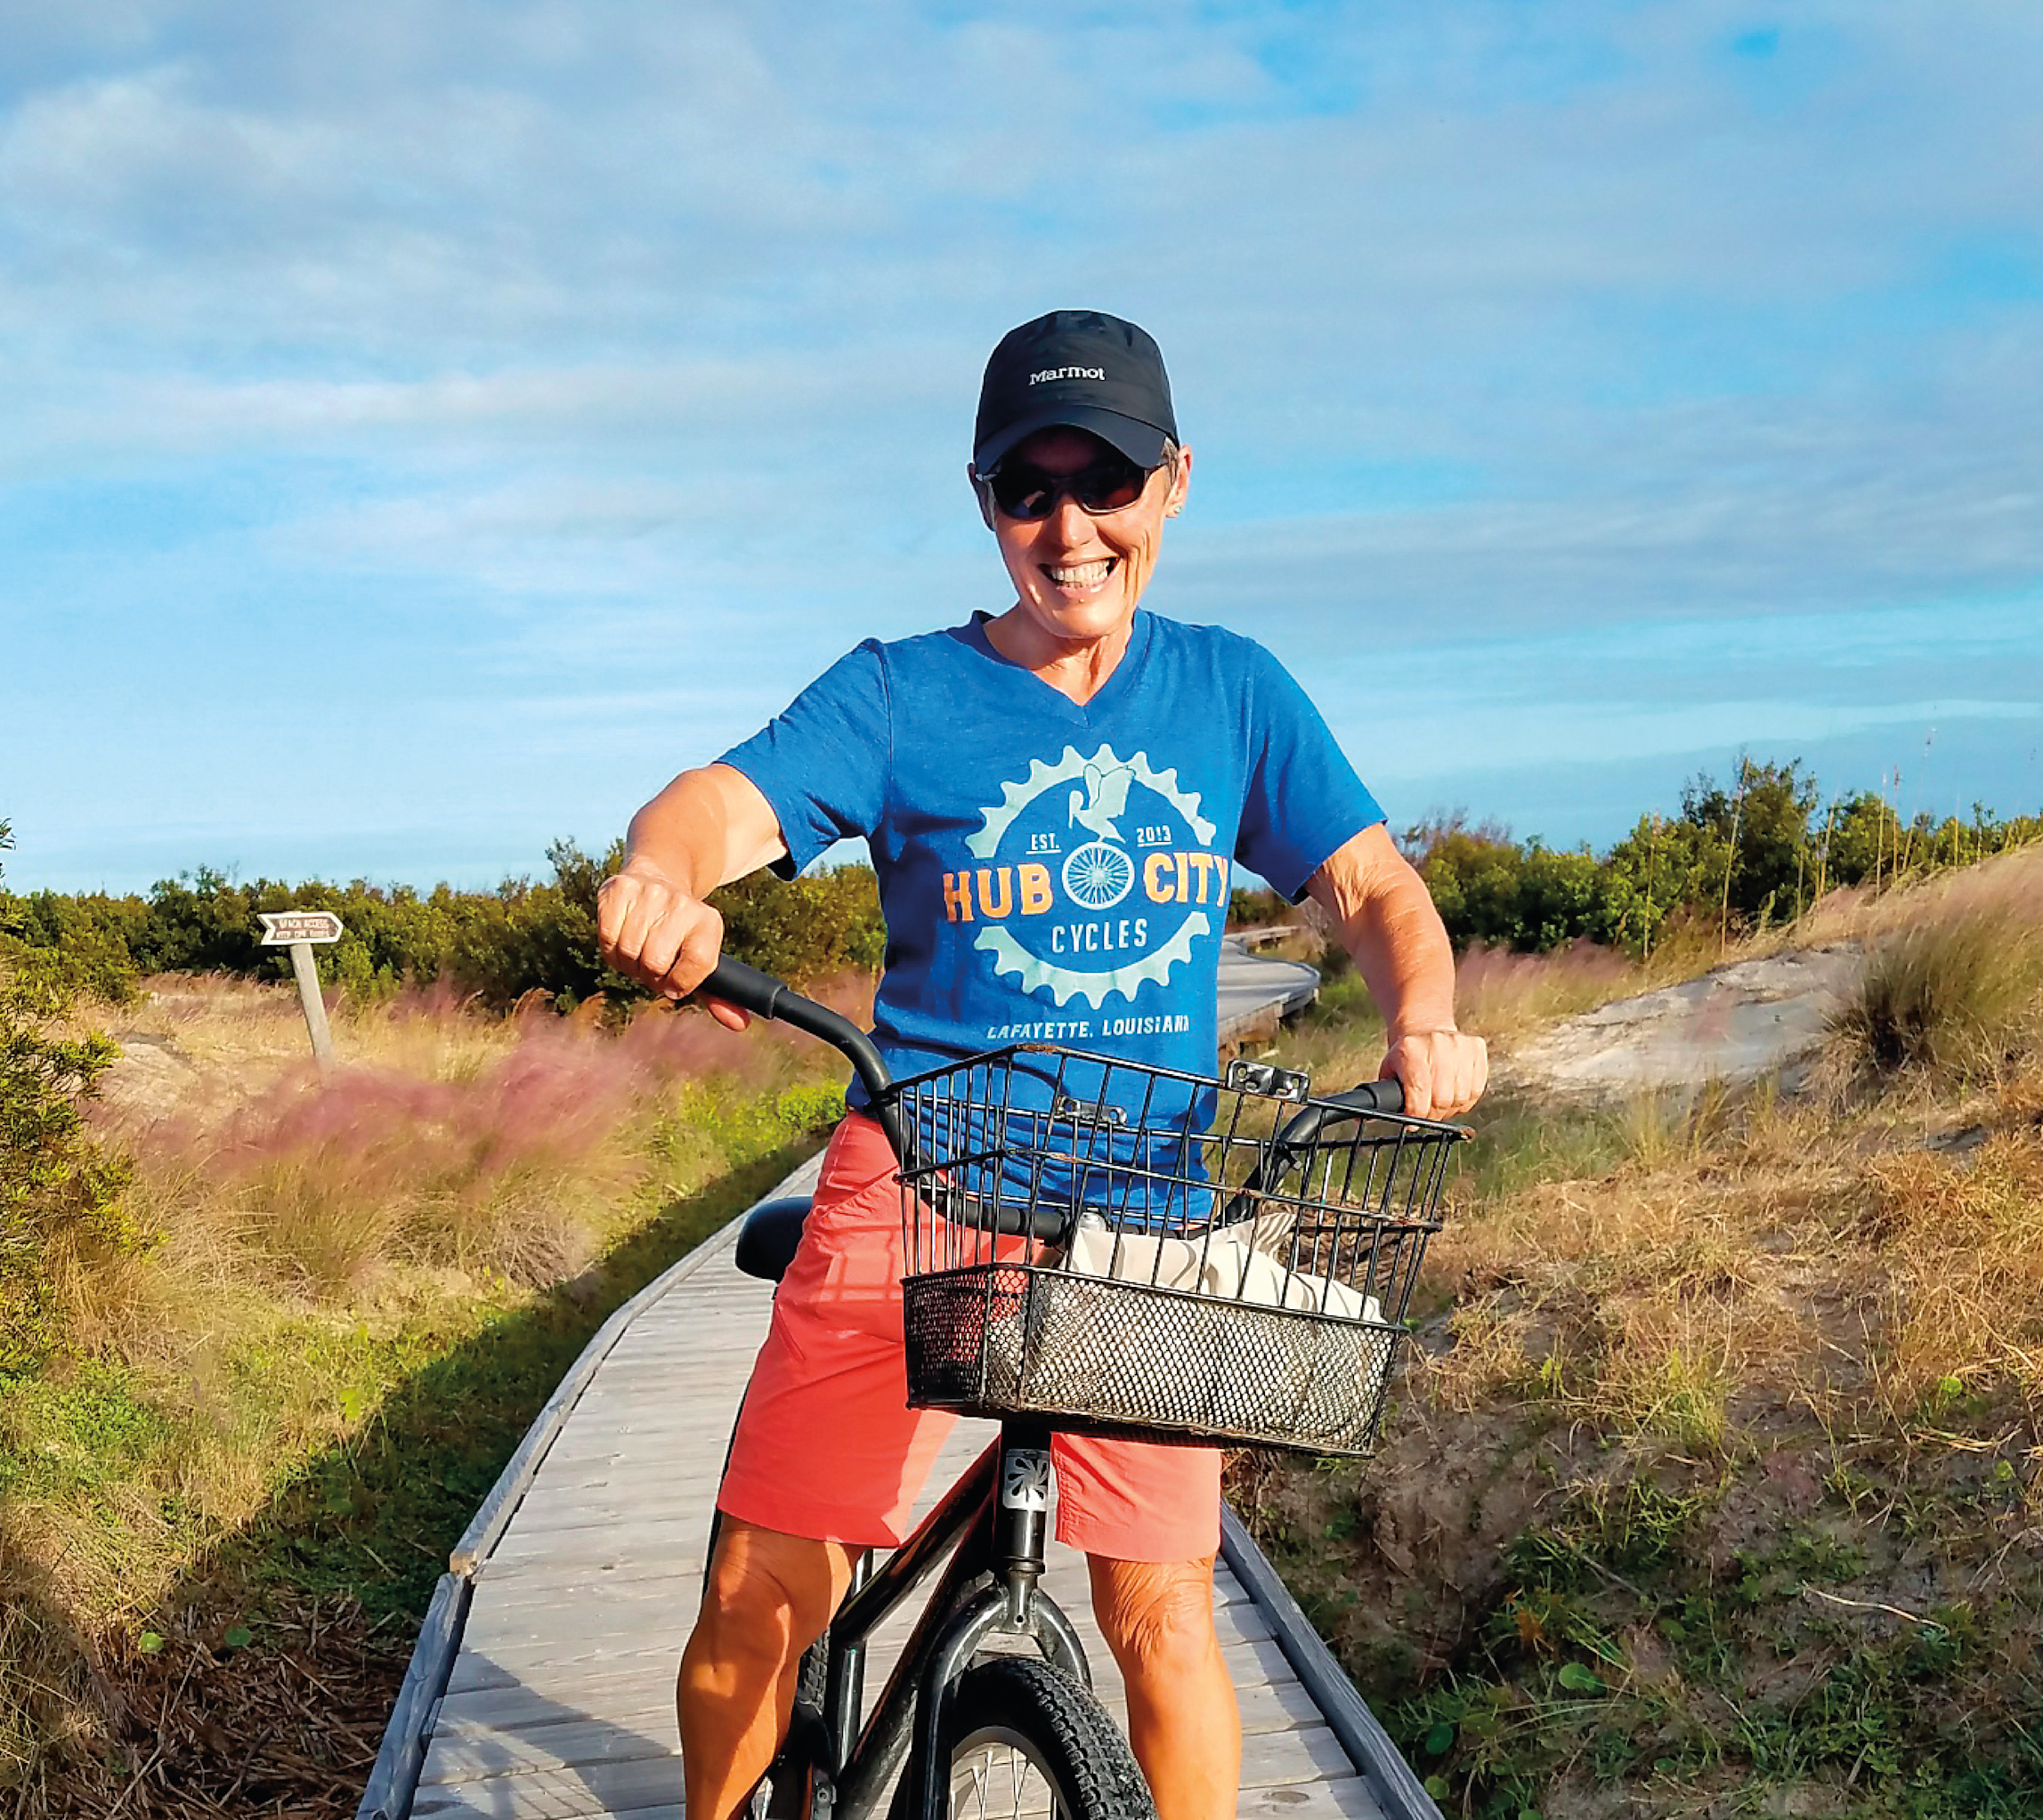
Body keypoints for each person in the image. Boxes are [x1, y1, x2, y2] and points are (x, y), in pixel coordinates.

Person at [596, 309, 1488, 1820]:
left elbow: (1373, 890)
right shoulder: (900, 693)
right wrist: (660, 874)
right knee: (760, 1599)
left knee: (1162, 1624)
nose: (1071, 526)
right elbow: (719, 806)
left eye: (1109, 482)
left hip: (1135, 1212)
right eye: (1031, 489)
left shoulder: (1233, 692)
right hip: (915, 1178)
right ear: (985, 499)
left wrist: (1422, 1013)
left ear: (1176, 484)